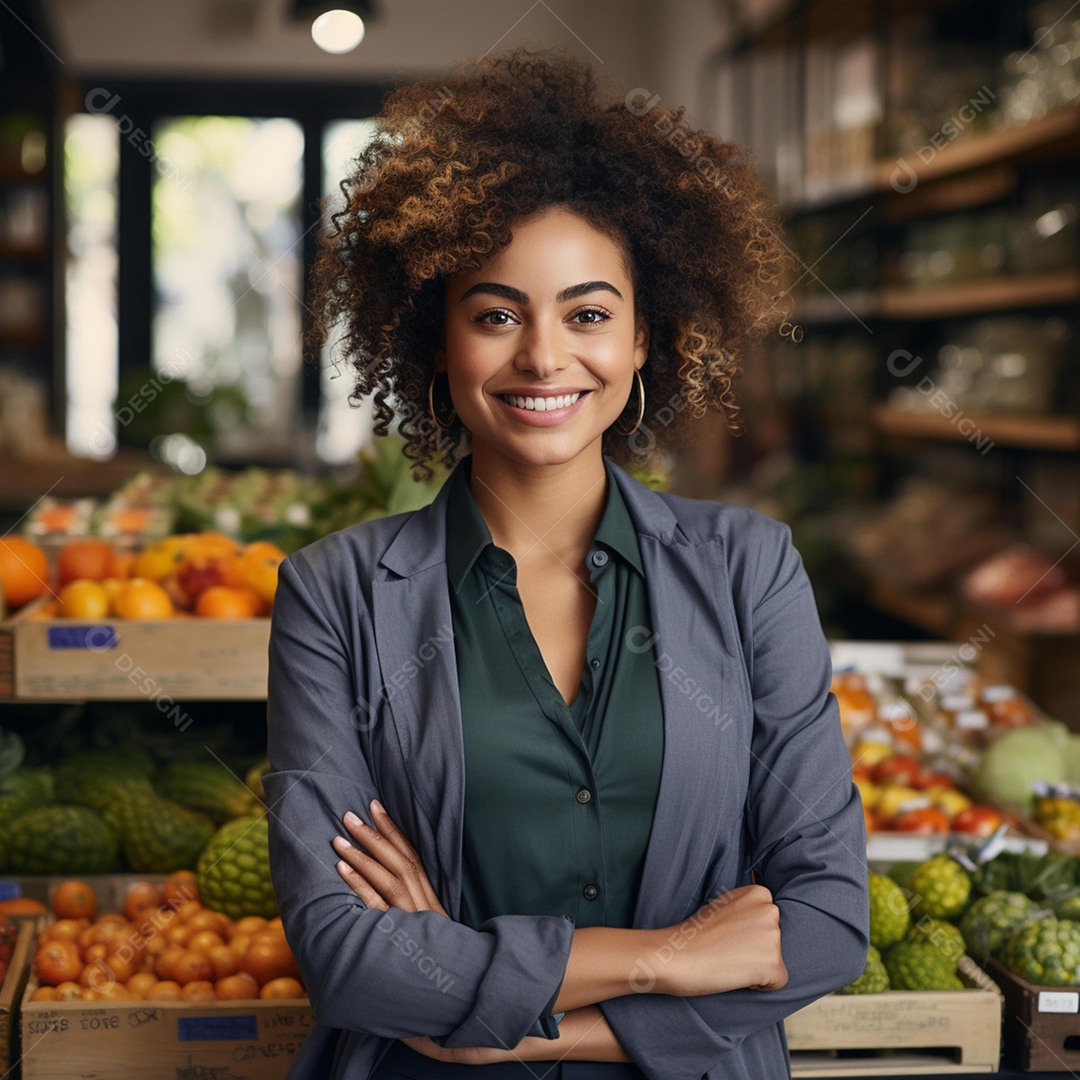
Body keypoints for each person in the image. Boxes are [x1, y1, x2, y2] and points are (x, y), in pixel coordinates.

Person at [264, 45, 869, 1080]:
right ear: (434, 343)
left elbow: (823, 921)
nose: (545, 357)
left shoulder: (748, 569)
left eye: (589, 314)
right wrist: (671, 962)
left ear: (645, 340)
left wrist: (488, 1028)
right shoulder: (336, 594)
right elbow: (349, 957)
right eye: (496, 315)